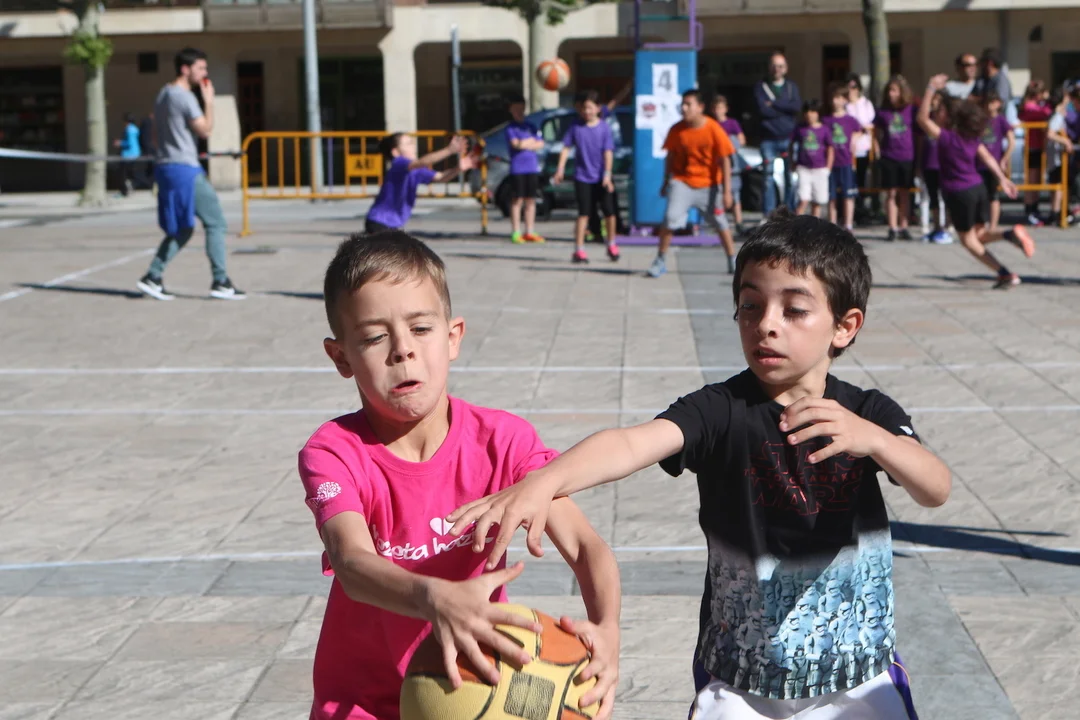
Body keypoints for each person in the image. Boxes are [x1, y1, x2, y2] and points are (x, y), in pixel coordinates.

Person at [448, 209, 952, 718]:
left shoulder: (869, 413)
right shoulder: (719, 410)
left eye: (794, 310)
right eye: (750, 306)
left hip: (858, 677)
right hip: (739, 681)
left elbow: (935, 487)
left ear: (844, 327)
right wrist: (544, 481)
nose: (766, 325)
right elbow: (629, 445)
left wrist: (877, 441)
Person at [300, 232, 621, 720]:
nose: (402, 351)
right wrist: (434, 598)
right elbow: (351, 562)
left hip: (470, 692)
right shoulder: (334, 452)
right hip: (361, 705)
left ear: (452, 338)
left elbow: (585, 547)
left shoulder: (503, 443)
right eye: (374, 337)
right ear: (341, 356)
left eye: (420, 329)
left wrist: (607, 628)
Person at [136, 47, 244, 301]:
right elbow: (205, 130)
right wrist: (209, 100)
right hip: (185, 168)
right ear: (185, 69)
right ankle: (220, 281)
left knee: (182, 228)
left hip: (165, 167)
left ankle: (153, 276)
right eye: (201, 68)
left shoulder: (162, 95)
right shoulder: (184, 97)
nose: (205, 73)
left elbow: (154, 135)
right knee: (216, 222)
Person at [918, 74, 1035, 289]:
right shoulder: (970, 137)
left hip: (959, 192)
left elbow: (922, 119)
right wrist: (1003, 179)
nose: (937, 113)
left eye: (940, 110)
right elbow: (988, 158)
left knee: (967, 240)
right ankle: (1010, 235)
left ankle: (1004, 274)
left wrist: (930, 88)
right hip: (978, 188)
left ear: (949, 116)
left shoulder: (946, 137)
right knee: (979, 235)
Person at [646, 89, 736, 279]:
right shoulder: (677, 130)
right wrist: (665, 181)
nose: (684, 108)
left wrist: (727, 191)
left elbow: (725, 160)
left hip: (709, 185)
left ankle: (732, 259)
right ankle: (660, 260)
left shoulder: (713, 128)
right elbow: (670, 156)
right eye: (683, 104)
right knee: (670, 218)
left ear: (700, 107)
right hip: (682, 182)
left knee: (720, 222)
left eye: (689, 104)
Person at [554, 90, 620, 264]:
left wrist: (607, 175)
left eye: (590, 107)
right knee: (583, 214)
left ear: (598, 108)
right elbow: (566, 148)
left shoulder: (604, 127)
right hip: (582, 177)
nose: (586, 111)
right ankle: (579, 250)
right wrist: (560, 169)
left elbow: (608, 152)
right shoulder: (576, 127)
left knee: (609, 212)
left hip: (602, 177)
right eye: (584, 108)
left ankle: (612, 244)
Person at [365, 134, 473, 234]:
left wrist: (458, 169)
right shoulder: (398, 163)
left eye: (413, 142)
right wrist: (449, 150)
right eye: (408, 143)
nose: (413, 146)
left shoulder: (416, 170)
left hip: (391, 224)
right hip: (379, 221)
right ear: (395, 152)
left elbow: (441, 177)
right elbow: (421, 162)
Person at [755, 52, 802, 215]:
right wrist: (784, 109)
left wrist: (774, 104)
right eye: (774, 66)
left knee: (790, 177)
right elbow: (763, 110)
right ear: (769, 67)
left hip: (788, 137)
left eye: (781, 66)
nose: (777, 69)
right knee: (768, 178)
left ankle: (788, 212)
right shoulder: (761, 86)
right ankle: (769, 213)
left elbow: (796, 107)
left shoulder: (791, 87)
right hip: (768, 138)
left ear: (786, 68)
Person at [874, 75, 916, 241]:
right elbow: (876, 133)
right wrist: (877, 151)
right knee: (891, 193)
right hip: (889, 155)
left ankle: (904, 226)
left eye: (894, 90)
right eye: (889, 91)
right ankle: (892, 227)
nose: (891, 94)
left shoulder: (910, 110)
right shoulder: (883, 112)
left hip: (907, 156)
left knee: (905, 193)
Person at [503, 93, 545, 244]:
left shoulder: (530, 126)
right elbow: (516, 144)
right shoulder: (510, 128)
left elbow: (541, 143)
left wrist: (525, 143)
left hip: (532, 167)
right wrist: (529, 142)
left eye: (521, 109)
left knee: (531, 200)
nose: (519, 112)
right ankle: (516, 231)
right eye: (516, 109)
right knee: (517, 200)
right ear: (511, 110)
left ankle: (530, 230)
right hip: (518, 169)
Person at [823, 84, 862, 231]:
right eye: (833, 98)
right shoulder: (826, 120)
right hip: (830, 163)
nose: (835, 101)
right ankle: (832, 225)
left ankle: (848, 224)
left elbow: (860, 130)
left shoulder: (850, 120)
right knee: (831, 196)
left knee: (848, 195)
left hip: (846, 161)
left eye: (839, 98)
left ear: (845, 100)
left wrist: (855, 139)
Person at [915, 92, 952, 243]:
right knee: (933, 197)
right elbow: (920, 145)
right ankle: (937, 226)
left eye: (940, 107)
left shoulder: (949, 127)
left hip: (945, 166)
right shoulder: (927, 123)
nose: (936, 109)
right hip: (929, 165)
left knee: (947, 197)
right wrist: (919, 165)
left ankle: (947, 226)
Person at [977, 92, 1015, 231]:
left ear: (998, 104)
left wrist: (1004, 159)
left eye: (992, 102)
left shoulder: (1001, 120)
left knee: (993, 195)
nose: (989, 106)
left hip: (995, 165)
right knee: (980, 196)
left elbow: (1012, 141)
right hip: (979, 164)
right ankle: (981, 224)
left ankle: (993, 227)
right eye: (987, 102)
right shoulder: (980, 120)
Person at [791, 99, 833, 219]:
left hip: (820, 168)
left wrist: (828, 167)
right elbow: (792, 145)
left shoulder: (824, 129)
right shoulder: (800, 129)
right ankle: (795, 225)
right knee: (803, 199)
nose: (809, 115)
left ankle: (814, 227)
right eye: (807, 112)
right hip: (804, 168)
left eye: (813, 112)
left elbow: (830, 149)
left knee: (817, 201)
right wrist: (792, 162)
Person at [1018, 80, 1052, 226]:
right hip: (1031, 147)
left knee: (1037, 179)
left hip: (1038, 146)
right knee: (1031, 180)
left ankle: (1035, 208)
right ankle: (1030, 210)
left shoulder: (1037, 105)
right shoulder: (1029, 107)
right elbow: (1045, 113)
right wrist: (1050, 102)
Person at [845, 73, 877, 225]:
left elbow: (869, 124)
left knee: (862, 179)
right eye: (849, 87)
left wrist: (861, 128)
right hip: (848, 149)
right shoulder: (845, 105)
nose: (851, 90)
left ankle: (862, 210)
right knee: (849, 181)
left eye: (854, 87)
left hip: (864, 147)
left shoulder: (866, 104)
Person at [713, 94, 747, 234]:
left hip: (732, 166)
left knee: (735, 195)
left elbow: (741, 140)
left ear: (725, 109)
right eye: (716, 108)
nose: (718, 111)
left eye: (720, 108)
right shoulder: (712, 124)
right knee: (718, 196)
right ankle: (721, 224)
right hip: (717, 166)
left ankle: (738, 222)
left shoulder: (732, 124)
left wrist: (729, 145)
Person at [1045, 88, 1076, 225]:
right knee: (1058, 185)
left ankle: (1057, 212)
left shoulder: (1059, 113)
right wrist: (1065, 141)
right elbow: (1050, 133)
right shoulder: (1057, 115)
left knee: (1057, 184)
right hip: (1057, 157)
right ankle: (1056, 213)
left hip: (1055, 156)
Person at [115, 112, 141, 197]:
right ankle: (130, 188)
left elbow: (129, 143)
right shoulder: (135, 129)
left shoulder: (129, 129)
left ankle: (125, 191)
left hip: (128, 154)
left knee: (123, 174)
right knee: (131, 173)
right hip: (136, 154)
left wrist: (120, 143)